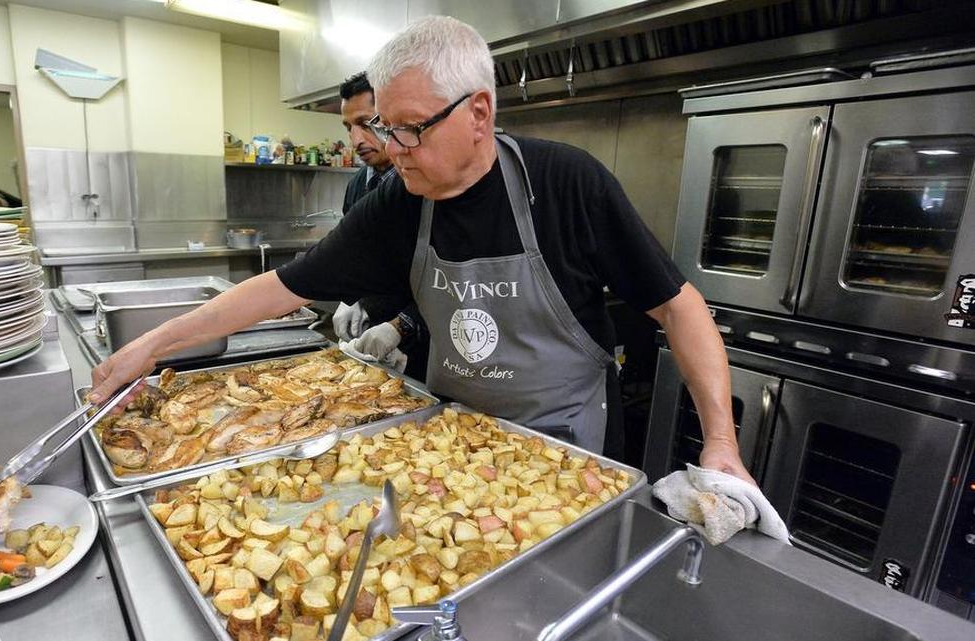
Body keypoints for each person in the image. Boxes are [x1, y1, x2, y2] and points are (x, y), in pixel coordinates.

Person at [90, 17, 754, 484]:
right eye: (386, 127)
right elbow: (281, 289)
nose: (393, 149)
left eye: (412, 129)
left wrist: (721, 440)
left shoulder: (565, 183)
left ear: (479, 114)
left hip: (566, 451)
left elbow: (680, 308)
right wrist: (150, 347)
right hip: (447, 443)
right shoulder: (400, 203)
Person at [333, 71, 430, 381]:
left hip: (423, 339)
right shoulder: (357, 184)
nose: (356, 140)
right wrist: (351, 299)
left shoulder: (424, 187)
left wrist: (401, 325)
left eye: (366, 123)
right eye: (349, 127)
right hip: (370, 339)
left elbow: (445, 278)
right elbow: (352, 256)